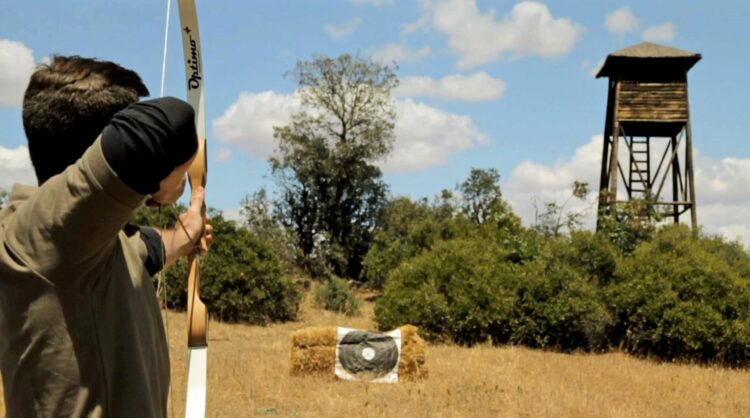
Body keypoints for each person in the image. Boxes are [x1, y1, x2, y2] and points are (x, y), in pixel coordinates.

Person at [0, 55, 212, 417]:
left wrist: (189, 225)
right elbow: (168, 124)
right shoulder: (41, 234)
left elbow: (149, 249)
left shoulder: (97, 244)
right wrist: (168, 184)